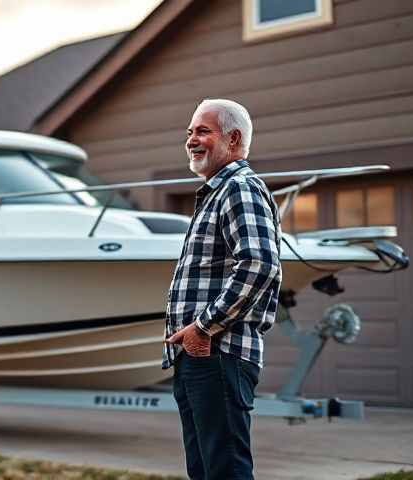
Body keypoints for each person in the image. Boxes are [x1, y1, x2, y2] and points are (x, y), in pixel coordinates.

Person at [163, 99, 282, 480]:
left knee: (224, 471)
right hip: (199, 357)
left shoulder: (239, 189)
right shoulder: (215, 193)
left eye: (202, 131)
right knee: (205, 471)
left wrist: (203, 328)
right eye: (189, 133)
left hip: (218, 353)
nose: (191, 140)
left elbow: (260, 264)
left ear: (233, 139)